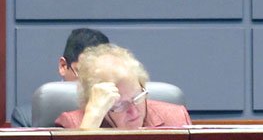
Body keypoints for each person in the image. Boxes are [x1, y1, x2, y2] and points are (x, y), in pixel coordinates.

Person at [55, 43, 191, 129]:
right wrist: (93, 117)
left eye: (137, 97)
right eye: (120, 104)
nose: (133, 112)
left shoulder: (176, 119)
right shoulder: (73, 124)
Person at [10, 28, 109, 127]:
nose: (90, 83)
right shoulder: (26, 118)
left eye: (99, 76)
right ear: (63, 66)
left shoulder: (115, 115)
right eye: (83, 74)